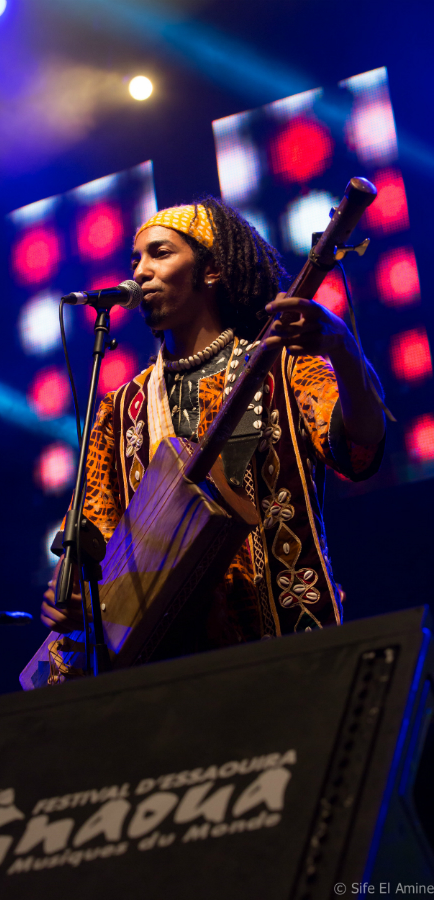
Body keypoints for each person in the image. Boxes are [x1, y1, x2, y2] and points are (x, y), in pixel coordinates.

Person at [40, 198, 385, 666]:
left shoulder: (284, 366)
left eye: (160, 253)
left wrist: (344, 350)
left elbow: (360, 449)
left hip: (287, 650)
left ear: (212, 271)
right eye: (135, 259)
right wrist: (74, 594)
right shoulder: (119, 411)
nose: (139, 272)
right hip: (168, 669)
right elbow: (92, 535)